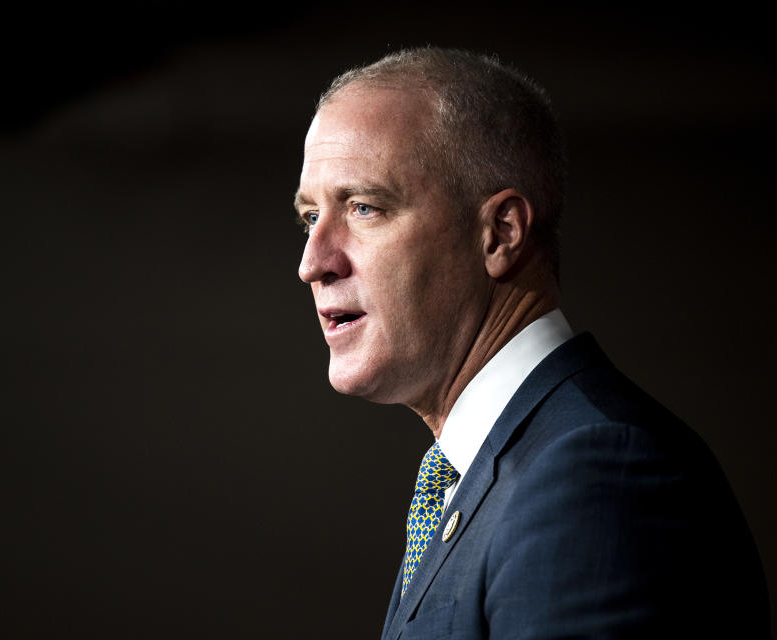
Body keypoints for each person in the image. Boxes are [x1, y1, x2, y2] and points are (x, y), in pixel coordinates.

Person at [294, 47, 769, 638]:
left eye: (364, 207)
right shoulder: (482, 474)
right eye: (310, 218)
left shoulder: (592, 473)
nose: (313, 263)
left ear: (501, 234)